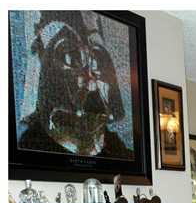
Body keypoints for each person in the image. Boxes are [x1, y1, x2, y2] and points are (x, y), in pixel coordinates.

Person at [17, 11, 133, 160]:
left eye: (96, 59)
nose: (91, 81)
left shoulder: (116, 150)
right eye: (71, 57)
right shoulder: (31, 143)